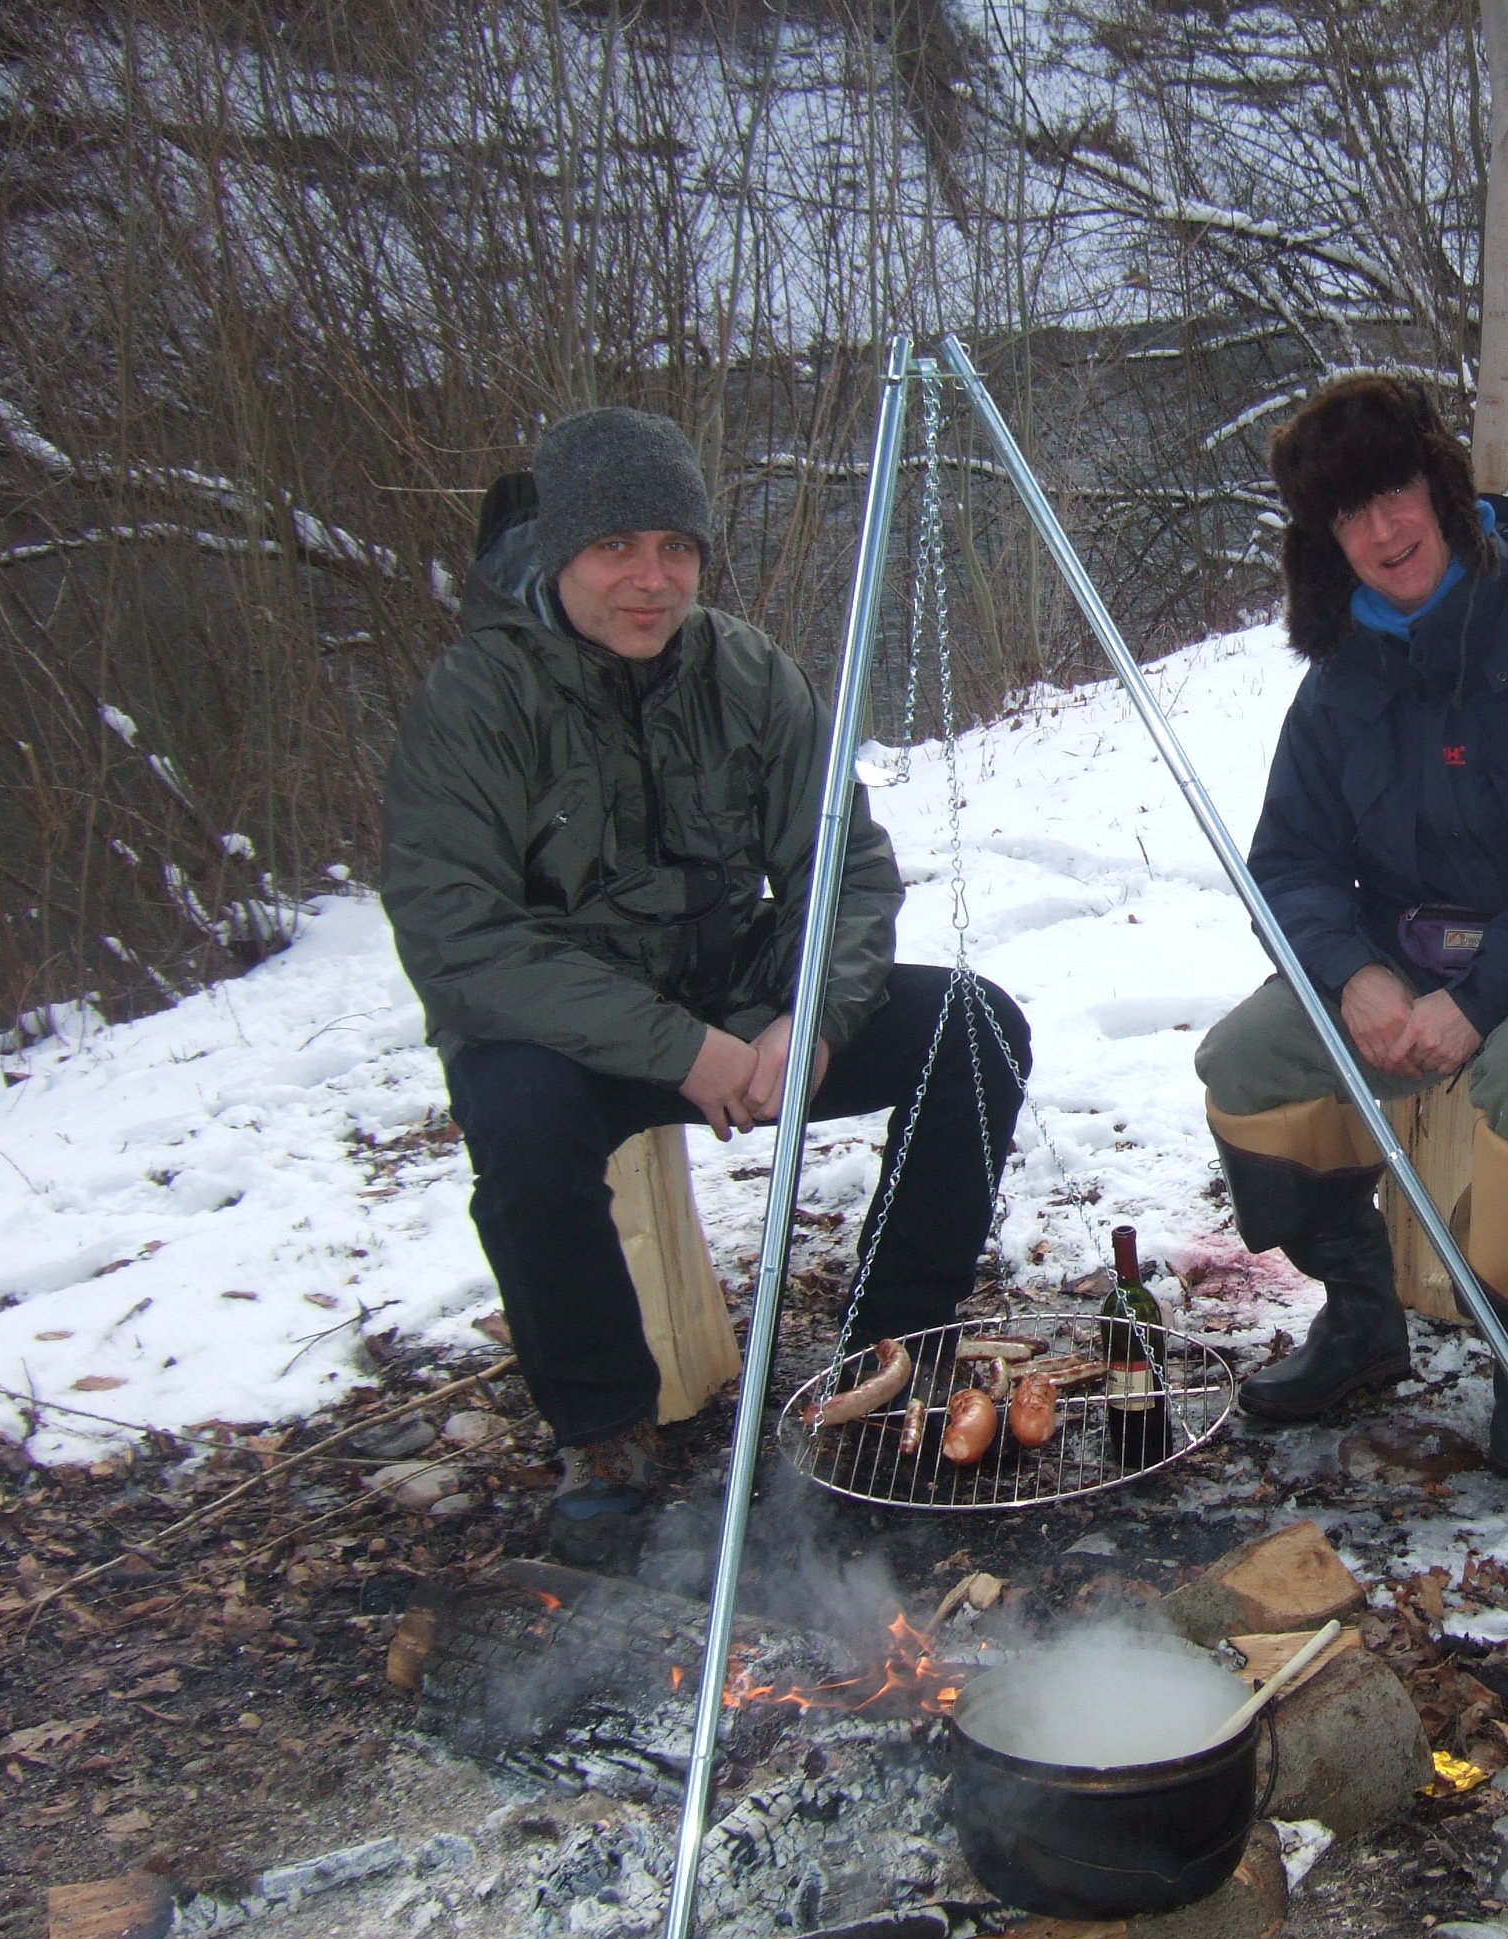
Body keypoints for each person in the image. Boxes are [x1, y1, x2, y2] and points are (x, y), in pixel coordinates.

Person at [383, 407, 1029, 1564]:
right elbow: (457, 938)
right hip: (569, 1036)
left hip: (737, 994)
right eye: (617, 548)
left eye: (675, 548)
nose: (652, 579)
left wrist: (810, 1021)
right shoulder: (476, 700)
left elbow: (845, 868)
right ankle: (605, 1431)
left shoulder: (743, 668)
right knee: (514, 1120)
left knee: (970, 1028)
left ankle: (890, 1350)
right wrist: (679, 1051)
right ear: (559, 553)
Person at [1194, 376, 1508, 1479]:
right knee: (1245, 1063)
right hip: (1405, 960)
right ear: (1324, 537)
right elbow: (1288, 863)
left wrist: (1480, 997)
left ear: (1443, 487)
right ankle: (1361, 1318)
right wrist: (1351, 976)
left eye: (1396, 493)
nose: (1381, 530)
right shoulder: (1338, 679)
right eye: (1347, 513)